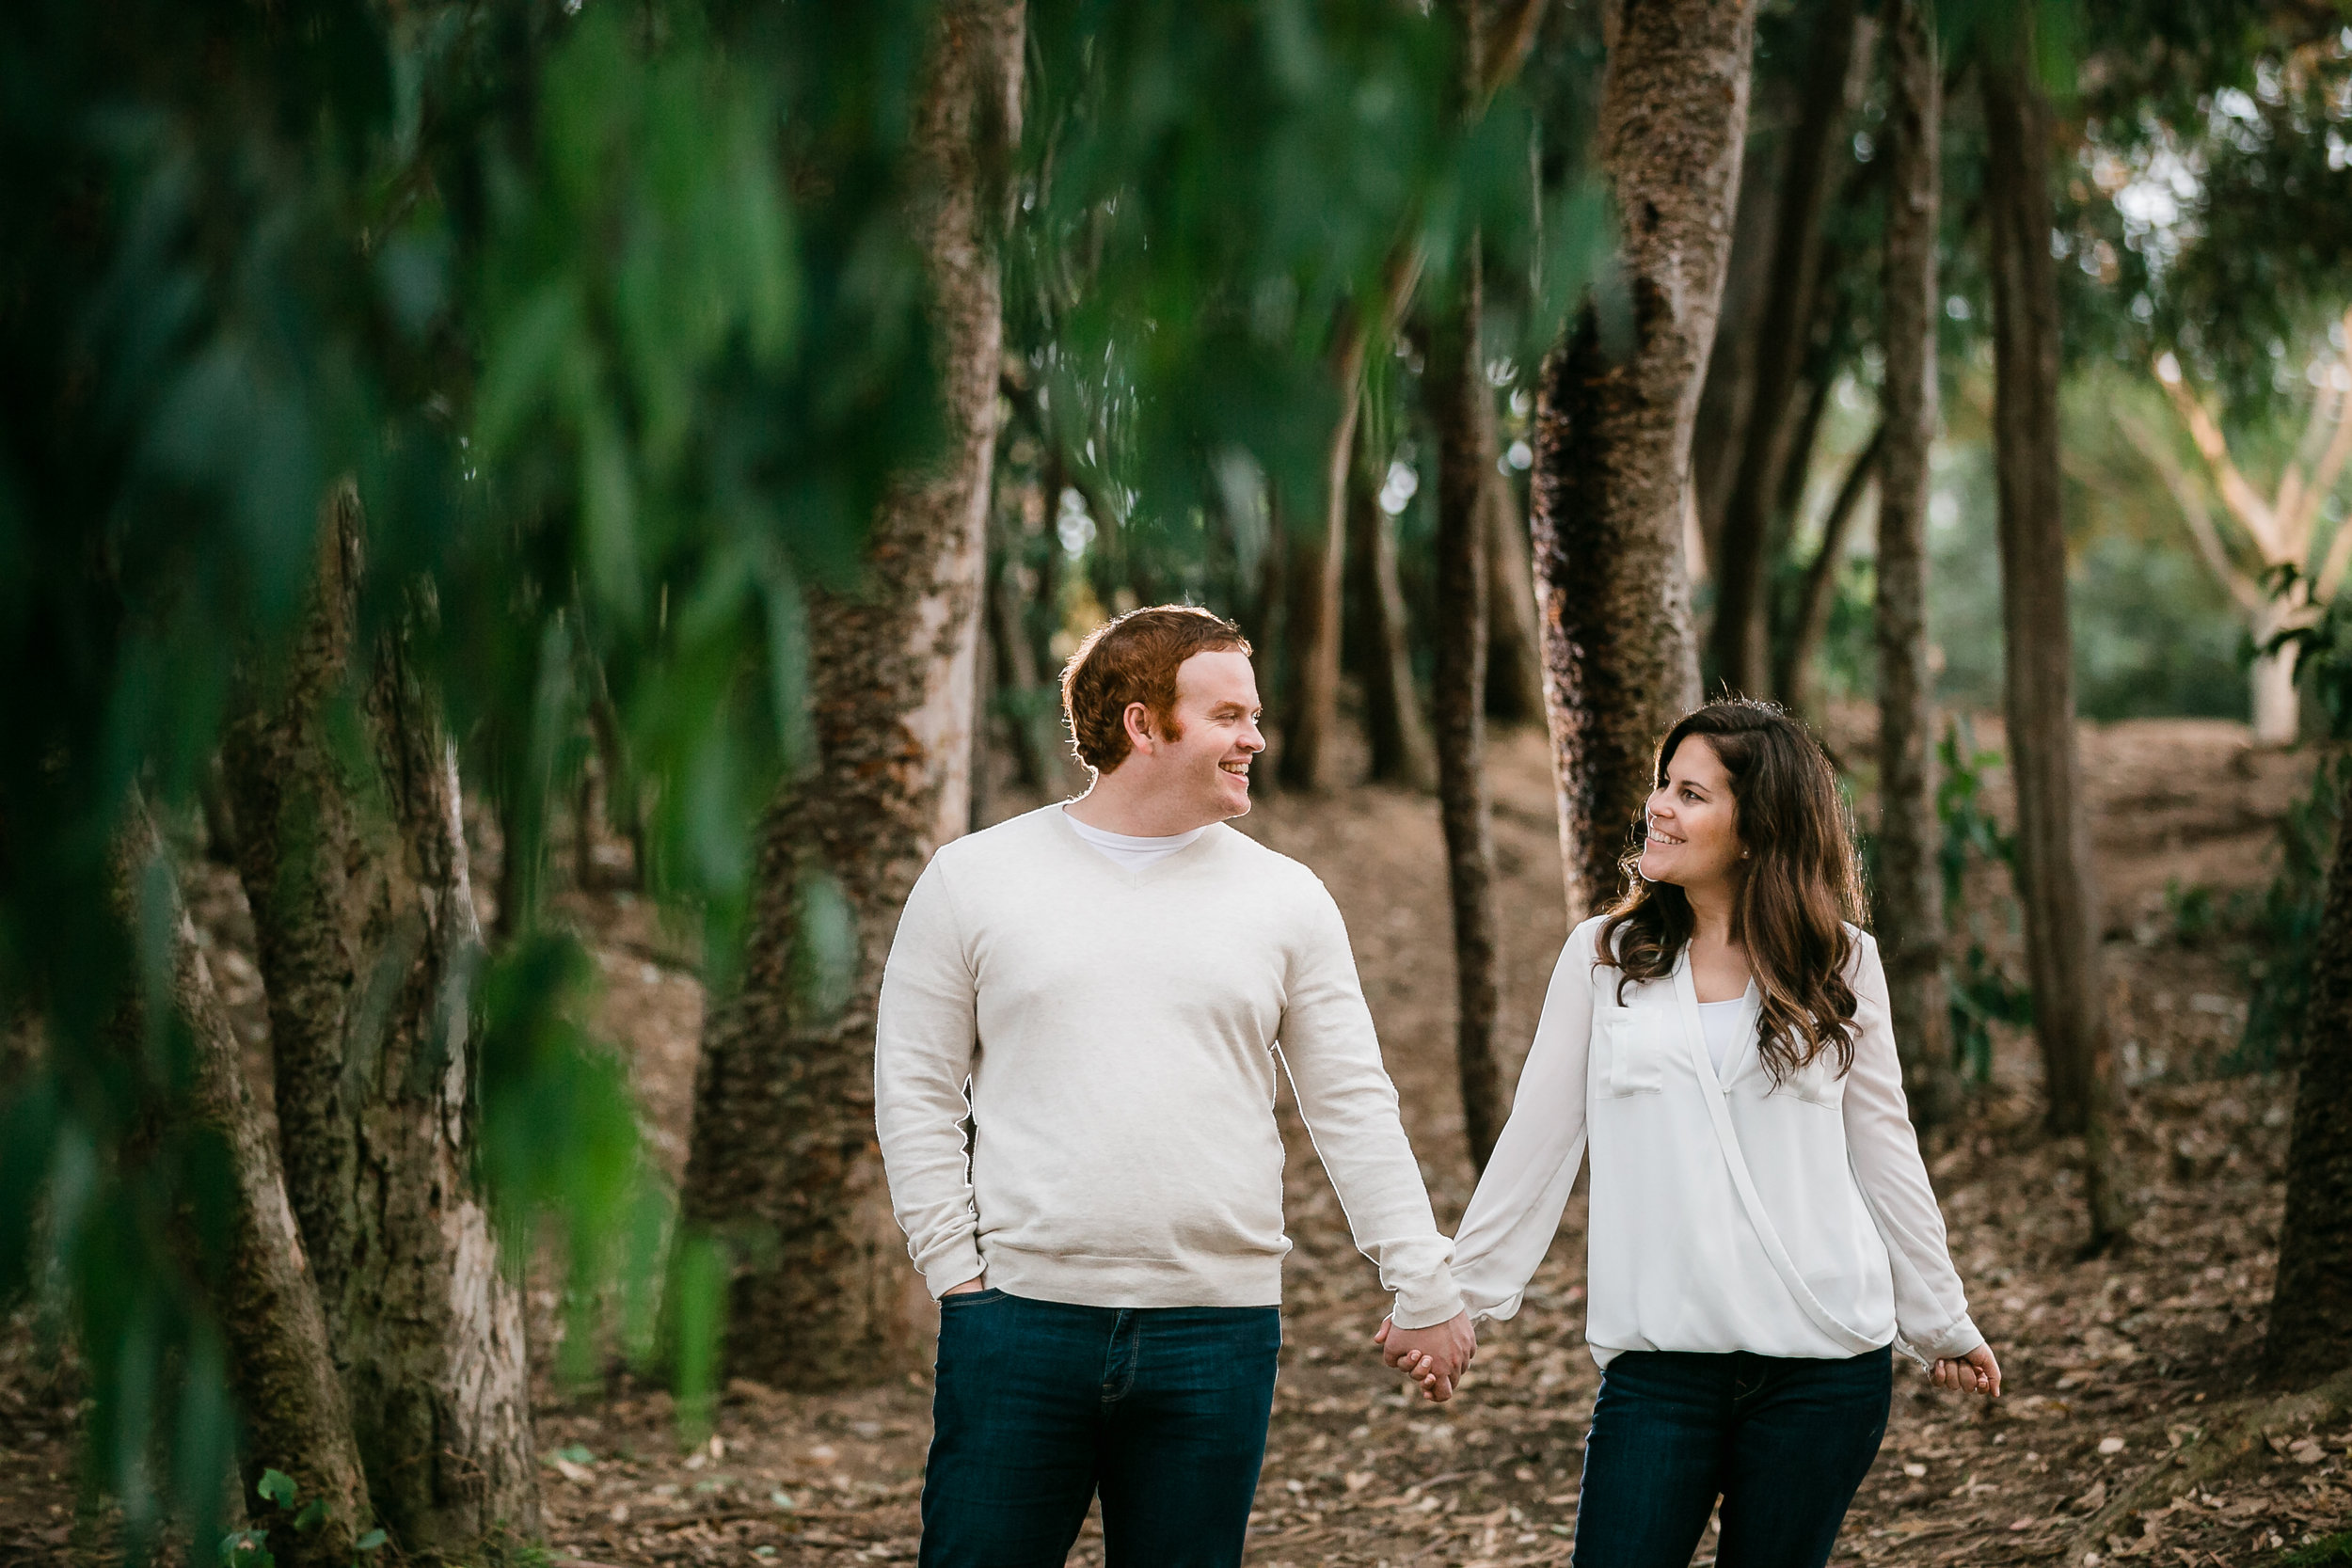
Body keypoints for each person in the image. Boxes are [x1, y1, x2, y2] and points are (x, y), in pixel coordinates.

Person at [875, 604, 1475, 1568]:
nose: (1257, 738)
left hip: (1218, 1330)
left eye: (1256, 714)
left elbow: (1352, 1100)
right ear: (1142, 725)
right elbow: (915, 1087)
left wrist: (1421, 1276)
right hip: (1020, 1321)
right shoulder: (973, 879)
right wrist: (960, 1277)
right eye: (1230, 715)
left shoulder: (1285, 897)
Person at [1388, 699, 2000, 1568]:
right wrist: (1456, 1299)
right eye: (1660, 786)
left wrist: (1941, 1319)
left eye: (1690, 793)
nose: (1658, 809)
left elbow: (1885, 1148)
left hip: (1823, 1367)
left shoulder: (1842, 960)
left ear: (1758, 830)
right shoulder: (1603, 957)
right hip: (1661, 1369)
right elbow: (1539, 1143)